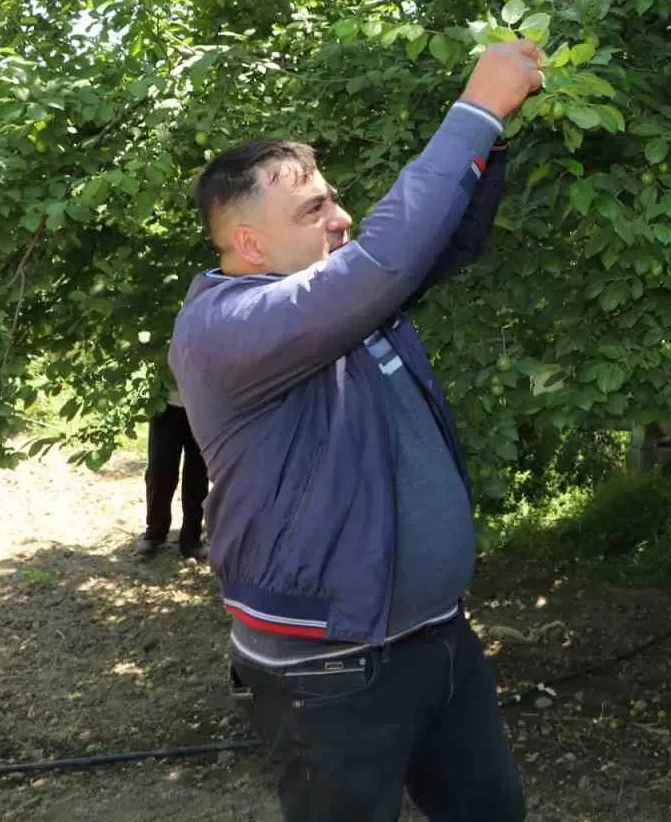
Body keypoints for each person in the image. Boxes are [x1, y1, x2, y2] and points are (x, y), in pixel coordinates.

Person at [168, 40, 544, 822]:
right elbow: (383, 260)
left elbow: (442, 241)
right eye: (313, 210)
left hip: (439, 641)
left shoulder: (346, 299)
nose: (341, 216)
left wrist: (492, 139)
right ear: (250, 244)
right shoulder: (229, 327)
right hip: (328, 670)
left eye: (334, 199)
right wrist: (472, 111)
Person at [133, 387, 208, 560]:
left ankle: (191, 541)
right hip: (164, 405)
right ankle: (154, 533)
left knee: (198, 475)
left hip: (203, 406)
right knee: (159, 473)